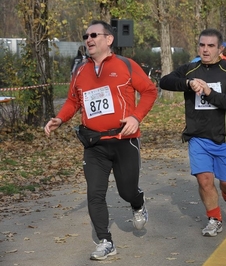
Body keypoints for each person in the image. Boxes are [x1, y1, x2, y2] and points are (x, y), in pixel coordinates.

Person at [44, 20, 157, 261]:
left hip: (124, 140)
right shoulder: (80, 71)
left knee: (127, 191)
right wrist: (60, 119)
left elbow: (149, 91)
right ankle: (106, 241)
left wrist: (136, 117)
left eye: (94, 35)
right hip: (94, 143)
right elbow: (74, 101)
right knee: (95, 193)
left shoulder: (125, 65)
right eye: (86, 36)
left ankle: (138, 203)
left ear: (109, 39)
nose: (89, 39)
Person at [159, 28, 226, 237]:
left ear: (220, 48)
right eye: (202, 45)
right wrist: (187, 84)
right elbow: (164, 81)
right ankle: (214, 219)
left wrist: (208, 92)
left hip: (224, 136)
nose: (205, 50)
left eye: (210, 46)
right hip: (197, 136)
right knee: (204, 180)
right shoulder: (190, 69)